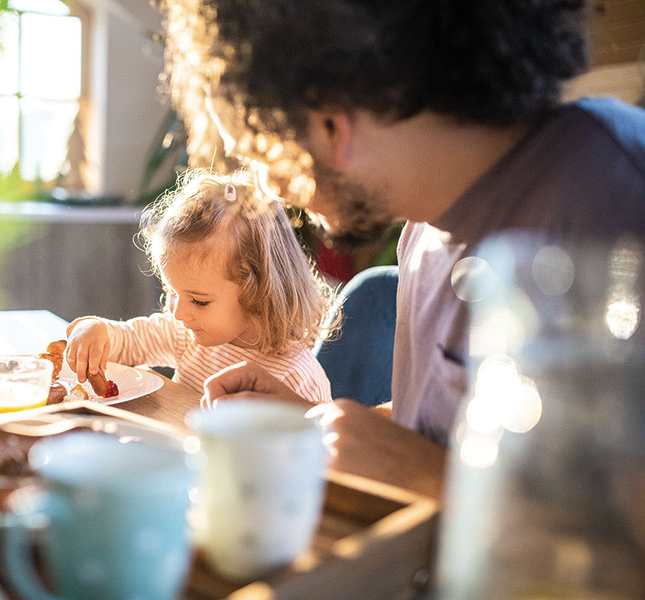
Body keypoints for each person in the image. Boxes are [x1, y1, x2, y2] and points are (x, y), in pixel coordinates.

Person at [160, 0, 645, 444]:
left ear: (331, 121)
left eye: (263, 152)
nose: (268, 187)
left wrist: (428, 479)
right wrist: (309, 419)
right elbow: (440, 427)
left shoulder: (613, 200)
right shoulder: (423, 225)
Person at [65, 168, 339, 404]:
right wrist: (98, 331)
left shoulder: (296, 379)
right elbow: (128, 342)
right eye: (172, 292)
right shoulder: (186, 335)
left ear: (258, 292)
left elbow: (322, 457)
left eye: (198, 301)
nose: (178, 313)